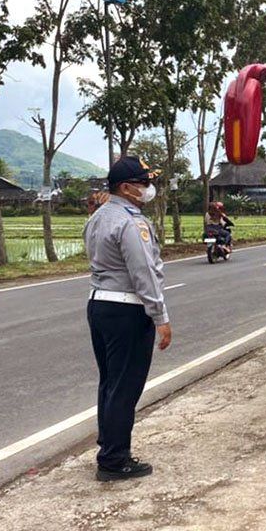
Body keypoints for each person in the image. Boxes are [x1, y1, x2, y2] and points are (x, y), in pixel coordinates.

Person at [83, 156, 173, 482]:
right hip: (127, 310)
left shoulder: (97, 217)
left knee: (110, 381)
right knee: (125, 386)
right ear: (126, 187)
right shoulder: (131, 222)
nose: (148, 188)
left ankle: (109, 441)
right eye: (143, 183)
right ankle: (114, 460)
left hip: (100, 305)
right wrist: (160, 316)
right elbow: (143, 272)